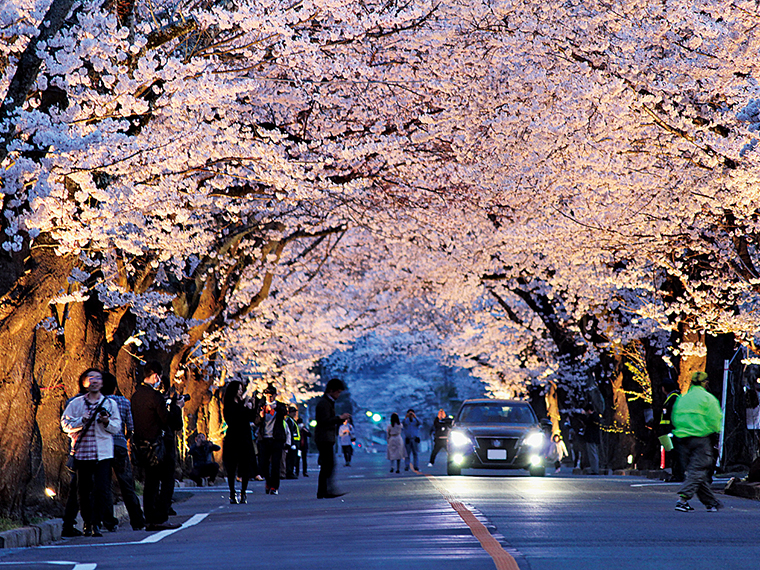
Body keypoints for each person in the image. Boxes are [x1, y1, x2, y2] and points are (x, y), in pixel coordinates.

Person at [61, 368, 122, 537]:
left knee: (101, 490)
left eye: (98, 378)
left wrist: (106, 421)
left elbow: (117, 427)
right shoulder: (76, 404)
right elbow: (65, 425)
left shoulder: (110, 404)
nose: (94, 381)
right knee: (83, 490)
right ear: (84, 382)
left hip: (103, 454)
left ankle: (96, 523)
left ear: (102, 383)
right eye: (90, 378)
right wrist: (82, 420)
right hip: (82, 453)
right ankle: (87, 522)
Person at [131, 361, 184, 531]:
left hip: (143, 446)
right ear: (155, 375)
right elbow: (169, 421)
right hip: (159, 446)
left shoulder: (136, 395)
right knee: (167, 481)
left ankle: (150, 518)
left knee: (150, 483)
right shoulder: (155, 397)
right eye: (159, 377)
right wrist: (177, 408)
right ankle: (160, 517)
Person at [672, 371, 723, 512]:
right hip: (701, 438)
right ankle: (683, 499)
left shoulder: (682, 399)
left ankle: (711, 502)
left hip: (682, 439)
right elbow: (715, 420)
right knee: (698, 469)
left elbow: (674, 417)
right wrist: (715, 433)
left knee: (694, 471)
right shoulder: (709, 399)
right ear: (705, 383)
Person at [101, 372, 145, 531]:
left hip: (103, 448)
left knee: (105, 485)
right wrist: (125, 437)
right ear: (114, 387)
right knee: (127, 484)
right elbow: (131, 427)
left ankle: (109, 522)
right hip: (119, 446)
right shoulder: (124, 402)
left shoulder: (98, 403)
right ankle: (137, 520)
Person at [315, 378, 351, 498]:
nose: (338, 395)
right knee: (327, 465)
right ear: (331, 390)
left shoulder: (327, 402)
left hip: (326, 438)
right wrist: (339, 418)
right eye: (338, 392)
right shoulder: (324, 403)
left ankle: (325, 490)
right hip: (324, 438)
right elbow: (325, 421)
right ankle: (324, 490)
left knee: (328, 464)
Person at [223, 380, 257, 502]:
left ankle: (243, 493)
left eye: (241, 389)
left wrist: (251, 407)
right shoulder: (229, 404)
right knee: (232, 467)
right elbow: (233, 418)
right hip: (233, 437)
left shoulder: (242, 403)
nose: (241, 391)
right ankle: (232, 493)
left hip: (245, 437)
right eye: (239, 389)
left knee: (245, 466)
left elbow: (250, 418)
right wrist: (244, 407)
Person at [254, 383, 288, 495]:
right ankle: (268, 481)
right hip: (264, 438)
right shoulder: (260, 405)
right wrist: (261, 416)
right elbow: (256, 421)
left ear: (275, 395)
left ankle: (274, 486)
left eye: (272, 395)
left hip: (276, 439)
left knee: (275, 463)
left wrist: (275, 407)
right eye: (267, 395)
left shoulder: (280, 406)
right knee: (263, 463)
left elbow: (284, 412)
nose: (270, 397)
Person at [658, 375, 683, 482]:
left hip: (672, 431)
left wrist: (669, 430)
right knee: (673, 453)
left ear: (664, 388)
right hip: (671, 431)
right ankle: (676, 474)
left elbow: (671, 416)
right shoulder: (674, 397)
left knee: (675, 453)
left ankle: (678, 475)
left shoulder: (673, 399)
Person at [285, 406, 301, 479]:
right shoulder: (289, 420)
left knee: (294, 458)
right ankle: (289, 472)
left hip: (295, 442)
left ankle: (291, 471)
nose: (294, 413)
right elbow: (290, 432)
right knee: (290, 459)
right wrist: (292, 443)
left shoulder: (292, 420)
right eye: (293, 412)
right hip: (292, 442)